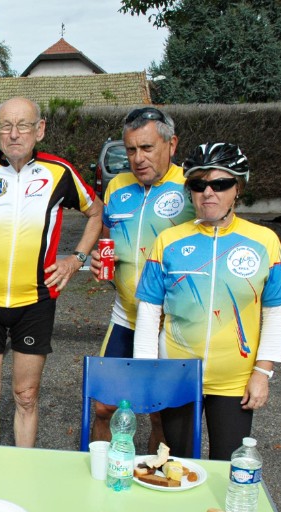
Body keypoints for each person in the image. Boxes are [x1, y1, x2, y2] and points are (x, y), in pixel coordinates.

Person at [0, 97, 103, 447]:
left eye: (23, 125)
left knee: (27, 396)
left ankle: (21, 473)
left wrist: (76, 259)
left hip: (35, 302)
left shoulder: (60, 172)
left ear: (40, 129)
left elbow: (96, 212)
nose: (14, 134)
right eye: (6, 126)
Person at [133, 143, 281, 460]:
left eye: (220, 184)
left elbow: (276, 314)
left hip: (234, 381)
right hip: (177, 375)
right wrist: (148, 371)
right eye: (198, 184)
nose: (208, 192)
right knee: (177, 467)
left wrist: (263, 373)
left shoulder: (265, 242)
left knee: (226, 469)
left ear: (238, 188)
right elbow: (149, 312)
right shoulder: (168, 241)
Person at [90, 107, 195, 449]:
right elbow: (108, 239)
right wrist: (100, 260)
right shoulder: (117, 186)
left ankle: (153, 474)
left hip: (171, 324)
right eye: (131, 149)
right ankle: (101, 473)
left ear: (171, 144)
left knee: (161, 414)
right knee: (103, 406)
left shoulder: (191, 186)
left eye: (147, 148)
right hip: (126, 316)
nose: (138, 158)